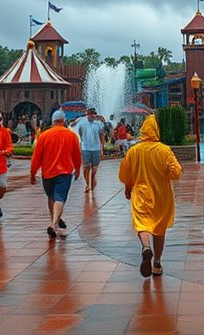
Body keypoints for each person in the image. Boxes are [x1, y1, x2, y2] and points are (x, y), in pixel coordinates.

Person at [119, 115, 182, 277]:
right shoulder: (164, 150)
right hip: (161, 196)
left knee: (142, 224)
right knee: (159, 229)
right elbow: (176, 172)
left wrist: (128, 186)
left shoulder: (134, 151)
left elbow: (125, 172)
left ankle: (146, 246)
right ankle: (157, 263)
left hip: (140, 193)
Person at [30, 110, 81, 239]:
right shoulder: (71, 136)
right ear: (64, 120)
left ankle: (53, 220)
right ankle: (54, 223)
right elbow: (76, 155)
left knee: (51, 197)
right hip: (64, 172)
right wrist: (78, 169)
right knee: (60, 197)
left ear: (53, 121)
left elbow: (36, 157)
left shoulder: (44, 136)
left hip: (47, 173)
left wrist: (33, 173)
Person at [74, 107, 106, 193]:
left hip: (96, 149)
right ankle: (88, 184)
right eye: (89, 114)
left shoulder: (98, 124)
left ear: (95, 115)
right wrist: (80, 146)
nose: (91, 116)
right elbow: (79, 136)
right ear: (86, 115)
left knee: (94, 169)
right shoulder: (82, 124)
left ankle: (92, 179)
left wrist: (102, 148)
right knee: (85, 168)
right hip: (86, 148)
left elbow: (101, 136)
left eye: (93, 114)